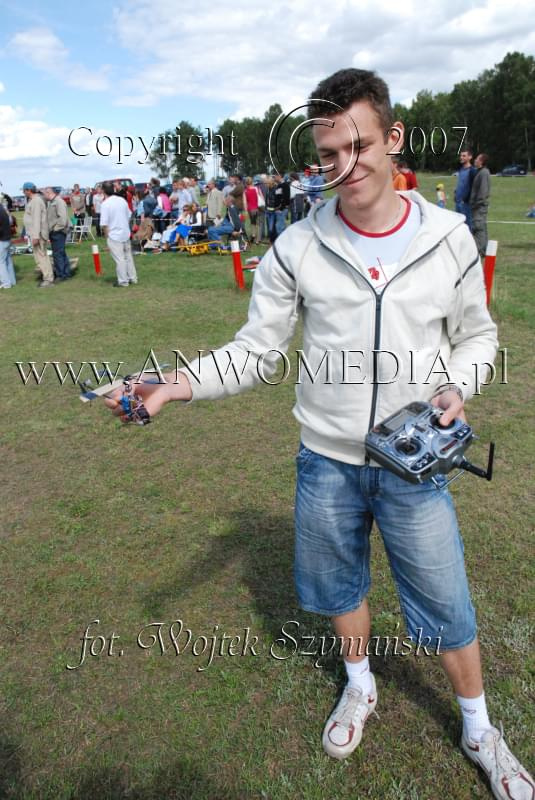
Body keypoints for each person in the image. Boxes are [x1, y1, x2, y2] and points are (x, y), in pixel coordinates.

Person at [105, 68, 533, 800]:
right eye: (328, 152)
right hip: (326, 462)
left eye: (358, 146)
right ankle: (359, 686)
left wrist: (458, 384)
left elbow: (477, 335)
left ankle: (477, 726)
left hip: (412, 465)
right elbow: (254, 351)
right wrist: (172, 384)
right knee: (340, 588)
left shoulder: (450, 236)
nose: (345, 166)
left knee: (445, 601)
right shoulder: (297, 247)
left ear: (393, 139)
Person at [99, 181, 137, 287]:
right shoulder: (122, 200)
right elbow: (129, 215)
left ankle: (123, 281)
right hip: (125, 232)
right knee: (128, 257)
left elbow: (104, 224)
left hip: (114, 235)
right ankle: (132, 278)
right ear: (114, 189)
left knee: (120, 259)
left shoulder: (105, 204)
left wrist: (107, 237)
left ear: (103, 191)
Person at [22, 182, 54, 288]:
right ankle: (48, 277)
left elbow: (36, 219)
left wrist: (35, 236)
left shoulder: (36, 201)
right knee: (41, 256)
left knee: (41, 257)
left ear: (28, 190)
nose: (23, 192)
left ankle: (48, 279)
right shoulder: (35, 200)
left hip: (38, 234)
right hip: (37, 233)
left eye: (24, 190)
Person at [44, 186, 73, 282]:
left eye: (45, 193)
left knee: (57, 254)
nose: (44, 195)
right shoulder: (52, 202)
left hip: (59, 231)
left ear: (49, 193)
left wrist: (55, 229)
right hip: (56, 231)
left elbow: (62, 218)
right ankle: (66, 273)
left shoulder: (58, 202)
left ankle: (61, 275)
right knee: (61, 252)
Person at [470, 153, 491, 258]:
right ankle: (483, 249)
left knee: (479, 227)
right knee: (479, 226)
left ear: (481, 162)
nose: (475, 160)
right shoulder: (479, 172)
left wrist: (476, 203)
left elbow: (483, 191)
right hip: (476, 206)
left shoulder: (484, 173)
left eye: (477, 159)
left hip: (479, 206)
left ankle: (480, 250)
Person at [454, 150, 476, 230]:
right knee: (458, 226)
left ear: (470, 157)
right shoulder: (460, 170)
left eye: (464, 156)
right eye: (461, 156)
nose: (461, 157)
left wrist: (466, 199)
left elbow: (473, 188)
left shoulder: (472, 171)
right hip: (458, 202)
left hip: (466, 204)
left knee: (467, 226)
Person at [0, 202, 16, 289]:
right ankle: (12, 281)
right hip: (7, 238)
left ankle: (6, 283)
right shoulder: (3, 209)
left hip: (2, 239)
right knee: (8, 261)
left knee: (1, 262)